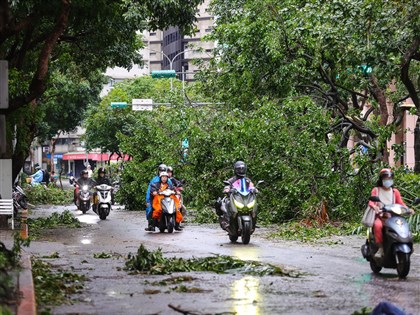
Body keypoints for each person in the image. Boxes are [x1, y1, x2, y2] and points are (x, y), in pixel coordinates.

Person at [368, 168, 414, 258]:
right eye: (385, 178)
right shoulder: (376, 190)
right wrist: (375, 207)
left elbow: (400, 203)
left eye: (389, 178)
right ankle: (380, 248)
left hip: (393, 216)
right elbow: (371, 202)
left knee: (403, 225)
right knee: (377, 226)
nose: (387, 181)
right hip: (381, 216)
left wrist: (408, 209)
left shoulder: (395, 192)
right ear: (381, 179)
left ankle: (406, 243)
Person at [215, 161, 256, 230]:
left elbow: (251, 186)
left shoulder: (247, 180)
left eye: (242, 169)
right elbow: (227, 185)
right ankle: (226, 220)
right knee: (225, 203)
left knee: (255, 204)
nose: (241, 170)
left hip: (244, 198)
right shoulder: (232, 179)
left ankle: (254, 222)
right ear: (235, 170)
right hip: (234, 197)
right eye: (239, 169)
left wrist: (254, 189)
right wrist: (227, 189)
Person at [145, 164, 172, 231]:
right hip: (156, 198)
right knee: (151, 208)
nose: (163, 178)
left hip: (166, 198)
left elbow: (172, 188)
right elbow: (149, 190)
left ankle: (177, 224)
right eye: (160, 171)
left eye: (163, 171)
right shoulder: (154, 180)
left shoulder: (169, 181)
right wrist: (148, 199)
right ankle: (151, 225)